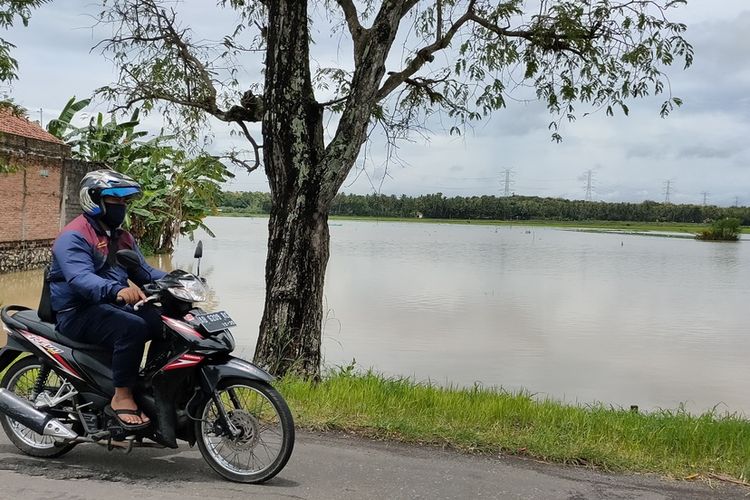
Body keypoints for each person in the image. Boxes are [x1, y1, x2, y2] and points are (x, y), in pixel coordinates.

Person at [49, 169, 166, 429]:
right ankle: (122, 395)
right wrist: (116, 291)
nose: (121, 206)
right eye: (116, 200)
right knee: (132, 328)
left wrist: (178, 282)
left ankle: (151, 385)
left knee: (163, 323)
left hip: (109, 305)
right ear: (94, 199)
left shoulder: (121, 236)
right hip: (76, 310)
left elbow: (145, 272)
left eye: (125, 201)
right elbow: (80, 278)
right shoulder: (74, 236)